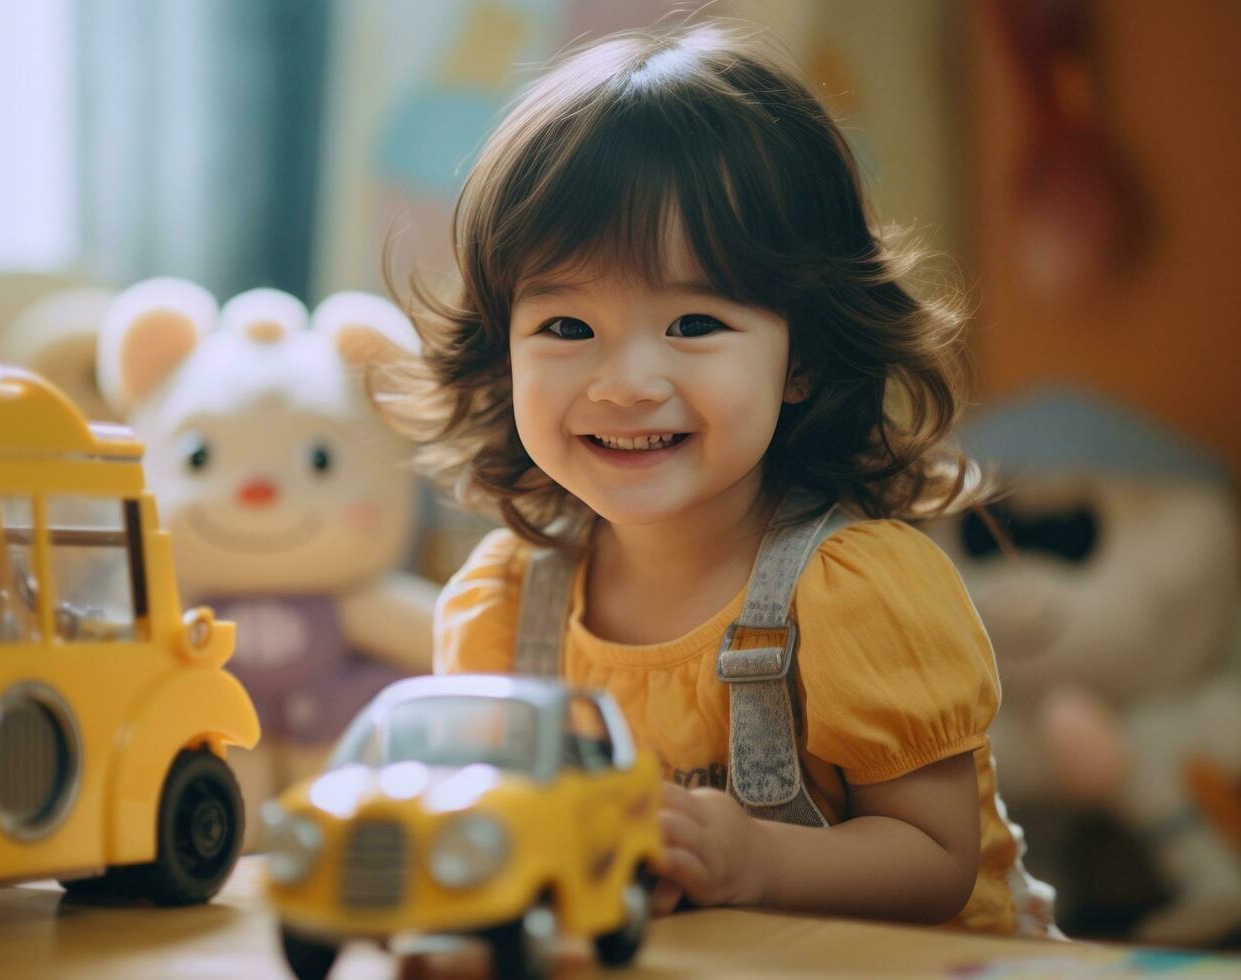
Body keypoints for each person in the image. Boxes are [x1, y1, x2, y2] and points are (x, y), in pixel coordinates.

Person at [374, 24, 1058, 935]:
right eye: (567, 329)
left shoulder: (857, 591)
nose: (624, 383)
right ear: (502, 358)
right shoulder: (504, 606)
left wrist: (756, 858)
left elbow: (936, 861)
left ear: (802, 359)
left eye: (694, 323)